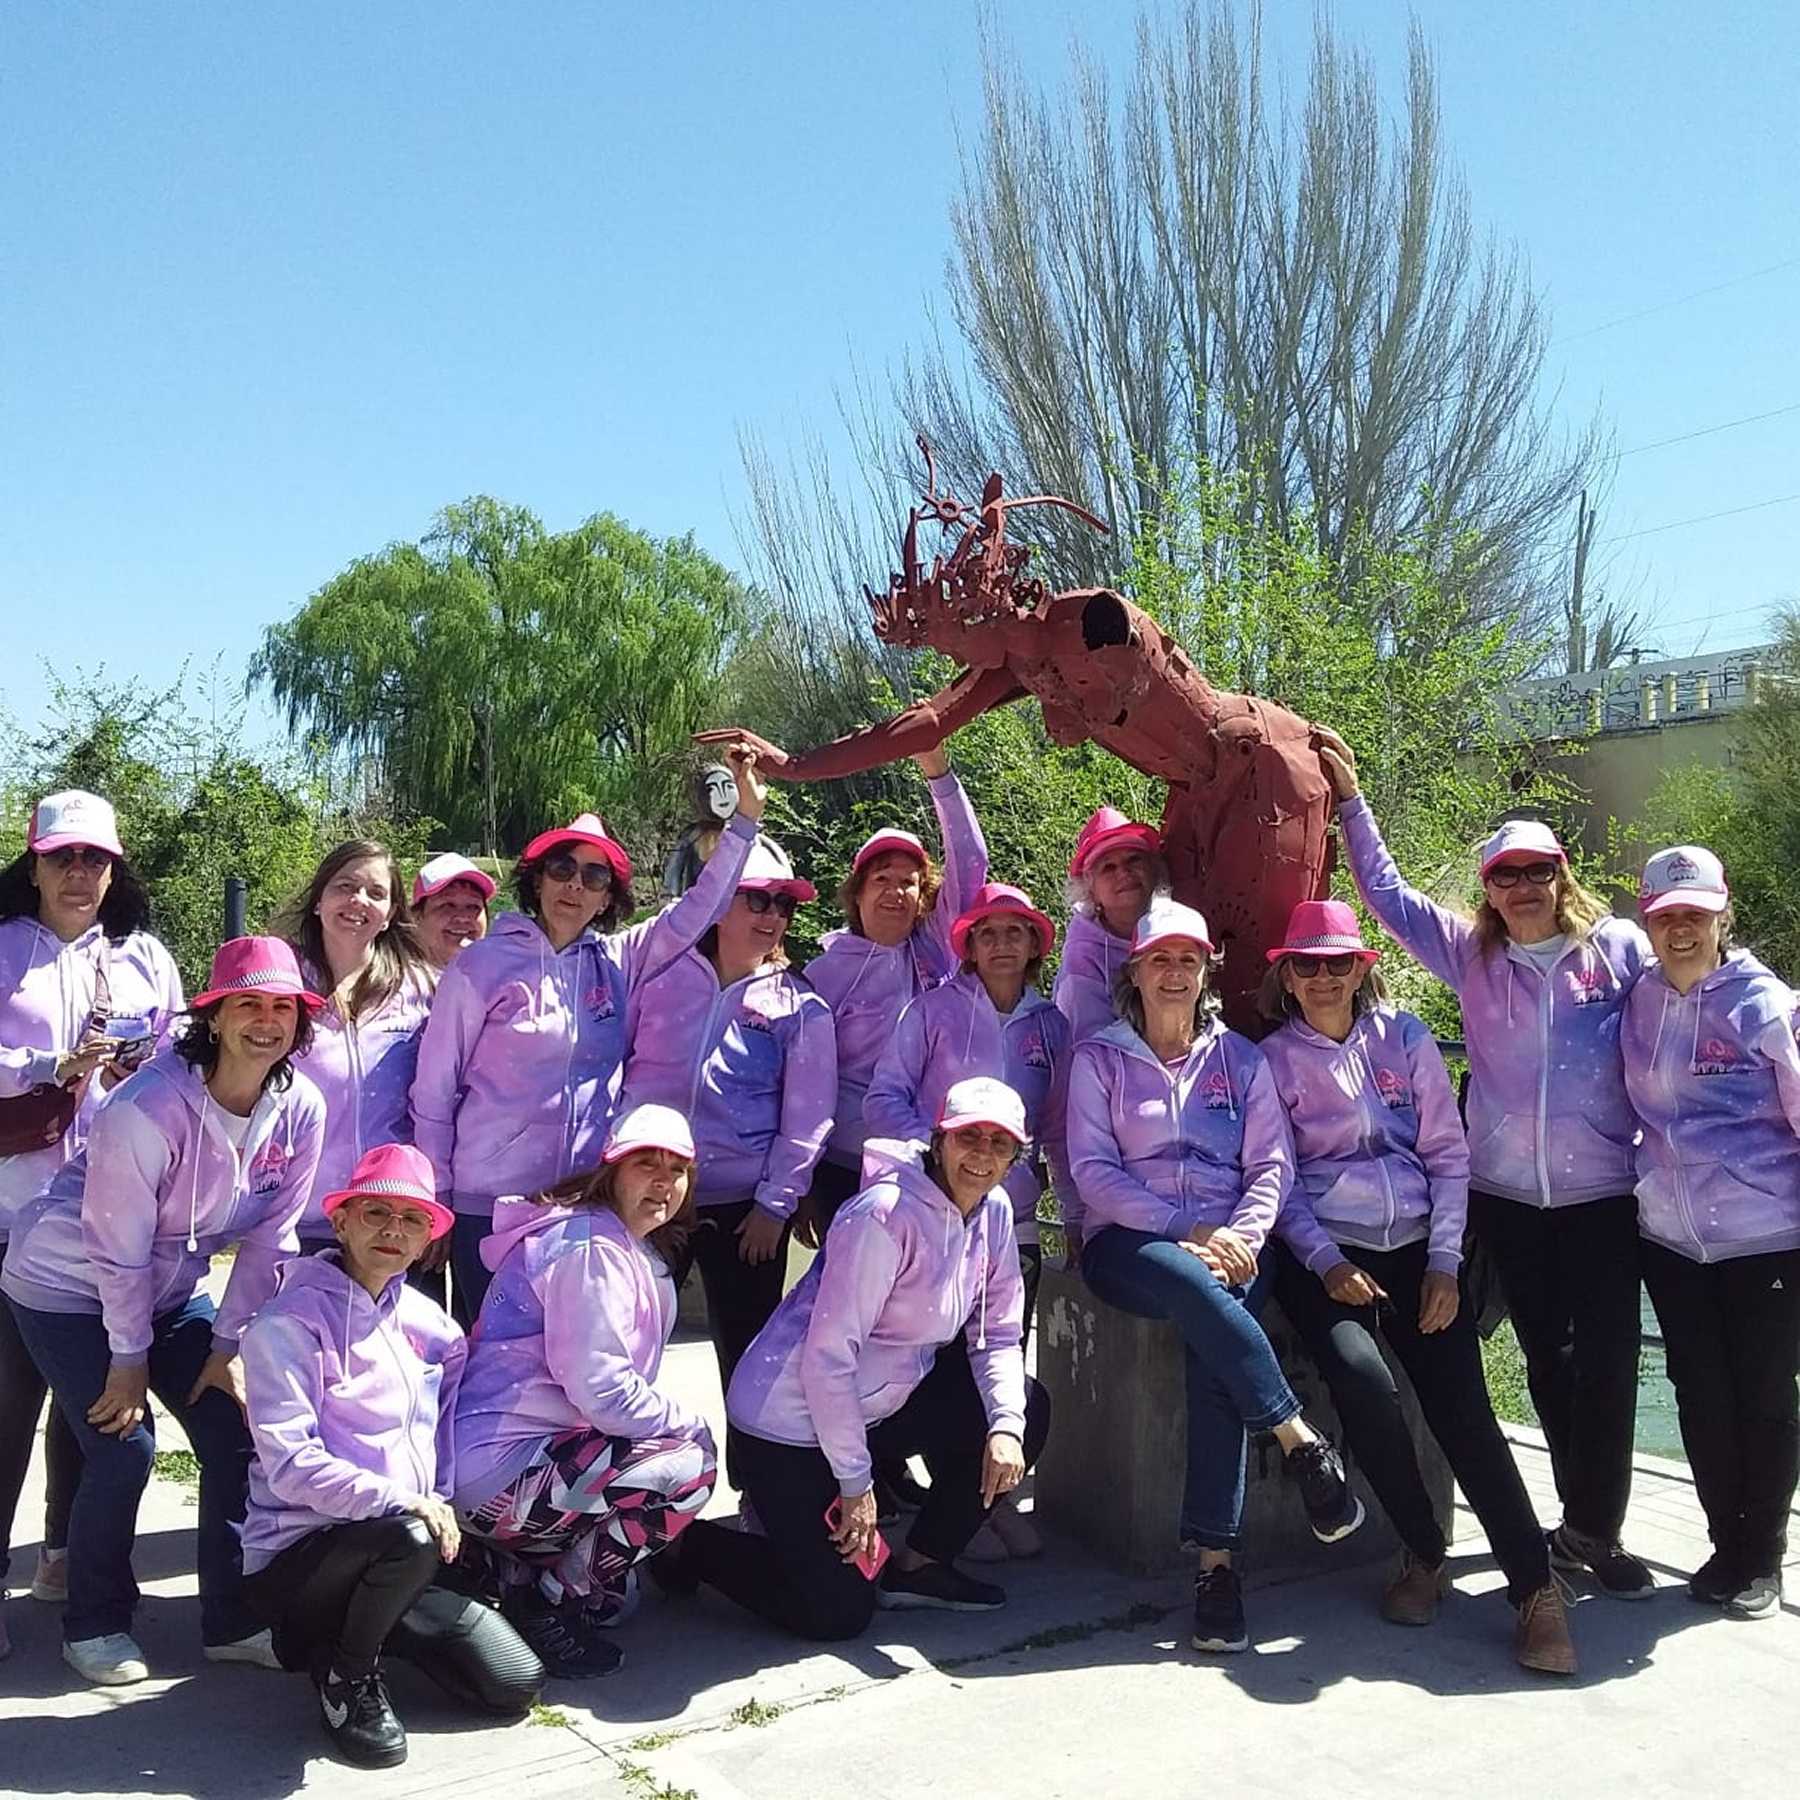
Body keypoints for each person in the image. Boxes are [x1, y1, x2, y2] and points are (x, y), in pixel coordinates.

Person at [1318, 727, 1655, 1600]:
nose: (1522, 888)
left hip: (1605, 1190)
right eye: (1505, 876)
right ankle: (1580, 1527)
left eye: (1536, 872)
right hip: (1506, 1193)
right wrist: (1351, 799)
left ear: (1562, 875)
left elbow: (1700, 984)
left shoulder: (1616, 949)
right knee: (1548, 1356)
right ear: (1489, 888)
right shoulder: (1473, 954)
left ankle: (1593, 1529)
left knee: (1610, 1361)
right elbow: (1386, 896)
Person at [1259, 899, 1575, 1674]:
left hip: (1419, 1255)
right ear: (1287, 976)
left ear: (1362, 968)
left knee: (1466, 1414)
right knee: (1364, 1385)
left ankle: (1535, 1591)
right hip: (1328, 1258)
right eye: (1308, 964)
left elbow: (1446, 1156)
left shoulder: (1404, 1038)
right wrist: (1326, 1261)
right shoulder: (1271, 1062)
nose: (1324, 976)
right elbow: (1282, 1183)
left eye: (1340, 962)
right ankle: (1423, 1550)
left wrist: (1444, 1265)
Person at [2, 937, 326, 1685]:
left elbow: (272, 1237)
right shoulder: (145, 1106)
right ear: (212, 1015)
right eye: (248, 1002)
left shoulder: (300, 1106)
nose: (267, 1021)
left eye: (283, 1007)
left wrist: (227, 1346)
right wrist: (127, 1361)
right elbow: (116, 1250)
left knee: (232, 1430)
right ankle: (95, 1622)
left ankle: (231, 1618)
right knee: (123, 1446)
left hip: (172, 1290)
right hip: (66, 1287)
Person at [1067, 897, 1362, 1655]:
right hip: (1129, 1244)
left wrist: (1238, 1236)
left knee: (1211, 1333)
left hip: (1235, 1247)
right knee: (1195, 1288)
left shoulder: (1243, 1061)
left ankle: (1216, 1570)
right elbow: (1093, 1173)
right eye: (1160, 959)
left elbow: (1271, 1167)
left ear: (1207, 972)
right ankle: (1301, 1442)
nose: (1174, 973)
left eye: (1188, 960)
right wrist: (1185, 1231)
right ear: (1135, 970)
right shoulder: (1099, 1058)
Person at [678, 1078, 1051, 1640]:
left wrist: (1005, 1427)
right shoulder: (882, 1217)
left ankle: (920, 1566)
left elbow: (996, 1332)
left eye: (1000, 1145)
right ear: (939, 1139)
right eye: (968, 1136)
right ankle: (692, 1545)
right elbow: (828, 1360)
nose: (983, 1155)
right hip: (788, 1425)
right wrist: (856, 1485)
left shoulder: (994, 1211)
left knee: (1027, 1406)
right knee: (838, 1612)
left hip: (875, 1407)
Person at [411, 748, 768, 1328]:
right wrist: (439, 1201)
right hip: (488, 1206)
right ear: (536, 879)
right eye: (562, 869)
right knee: (497, 1369)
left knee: (567, 1371)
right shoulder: (480, 967)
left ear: (608, 897)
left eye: (594, 875)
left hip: (579, 1205)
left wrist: (744, 823)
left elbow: (698, 911)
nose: (575, 885)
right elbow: (433, 1092)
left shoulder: (616, 961)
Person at [240, 1143, 543, 1768]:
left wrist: (450, 1515)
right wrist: (410, 1503)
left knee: (513, 1683)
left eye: (412, 1220)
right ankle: (346, 1678)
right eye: (376, 1212)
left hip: (405, 1550)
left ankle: (369, 1635)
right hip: (304, 1560)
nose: (393, 1231)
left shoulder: (435, 1328)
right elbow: (291, 1466)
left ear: (430, 1237)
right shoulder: (288, 1325)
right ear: (343, 1220)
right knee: (406, 1534)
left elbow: (444, 1441)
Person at [0, 790, 183, 1655]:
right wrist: (46, 1063)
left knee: (88, 1407)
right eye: (63, 858)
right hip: (7, 1211)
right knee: (5, 1408)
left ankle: (65, 1555)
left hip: (103, 1224)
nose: (80, 874)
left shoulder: (143, 958)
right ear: (32, 865)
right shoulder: (4, 951)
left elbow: (184, 1058)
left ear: (115, 870)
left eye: (95, 860)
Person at [454, 1105, 718, 1678]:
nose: (662, 1181)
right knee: (690, 1468)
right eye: (645, 1163)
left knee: (618, 1602)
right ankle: (545, 1606)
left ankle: (503, 1571)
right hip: (501, 1469)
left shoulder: (621, 1245)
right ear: (611, 1171)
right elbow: (602, 1390)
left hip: (524, 1464)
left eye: (676, 1170)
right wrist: (686, 1424)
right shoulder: (589, 1247)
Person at [863, 880, 1070, 1560]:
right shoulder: (932, 1011)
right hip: (932, 1219)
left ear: (1036, 944)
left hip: (1012, 1226)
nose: (1002, 944)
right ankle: (941, 1503)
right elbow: (885, 1096)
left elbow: (1063, 1125)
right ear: (970, 946)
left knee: (999, 1358)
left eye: (1016, 932)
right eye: (988, 933)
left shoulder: (1052, 1026)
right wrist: (938, 1164)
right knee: (942, 1369)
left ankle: (991, 1502)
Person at [1620, 846, 1800, 1621]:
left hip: (1766, 1238)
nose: (1681, 929)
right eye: (1666, 917)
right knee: (1698, 1394)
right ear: (1648, 923)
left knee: (1763, 1398)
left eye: (1695, 914)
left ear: (1722, 914)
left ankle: (1762, 1556)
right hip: (1671, 1238)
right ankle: (1725, 1541)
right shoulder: (1640, 1001)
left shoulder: (1767, 1006)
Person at [618, 837, 835, 1416]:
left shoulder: (800, 1007)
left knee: (749, 1358)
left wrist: (775, 1206)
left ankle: (756, 1496)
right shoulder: (659, 973)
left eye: (784, 906)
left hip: (745, 1208)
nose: (773, 916)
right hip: (648, 1197)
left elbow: (808, 1119)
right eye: (757, 900)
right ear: (718, 903)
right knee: (623, 1344)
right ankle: (622, 1484)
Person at [793, 744, 988, 1234]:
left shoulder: (937, 950)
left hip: (925, 1163)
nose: (895, 891)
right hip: (841, 1164)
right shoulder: (825, 973)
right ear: (857, 893)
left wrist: (938, 772)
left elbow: (971, 862)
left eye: (909, 882)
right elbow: (795, 1085)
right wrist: (799, 1186)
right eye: (882, 878)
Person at [276, 842, 436, 1261]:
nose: (358, 901)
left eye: (376, 893)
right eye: (345, 886)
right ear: (318, 901)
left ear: (391, 913)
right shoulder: (282, 986)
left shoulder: (424, 989)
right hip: (297, 1215)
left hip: (391, 1217)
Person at [1053, 806, 1167, 1046]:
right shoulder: (1081, 957)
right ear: (1090, 889)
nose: (1124, 873)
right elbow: (1088, 1043)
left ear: (1153, 869)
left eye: (1133, 860)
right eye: (1108, 867)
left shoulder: (1173, 927)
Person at [412, 854, 496, 968]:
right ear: (416, 917)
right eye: (447, 905)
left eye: (473, 906)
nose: (463, 917)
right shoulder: (396, 981)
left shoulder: (503, 976)